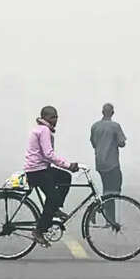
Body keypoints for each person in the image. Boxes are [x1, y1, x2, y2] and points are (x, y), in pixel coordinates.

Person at [24, 106, 79, 246]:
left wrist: (65, 167)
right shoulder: (44, 130)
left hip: (40, 169)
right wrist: (68, 165)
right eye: (52, 117)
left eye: (56, 117)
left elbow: (46, 156)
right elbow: (48, 154)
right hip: (37, 171)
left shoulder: (40, 129)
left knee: (65, 178)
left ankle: (54, 210)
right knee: (53, 198)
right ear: (45, 117)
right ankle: (39, 230)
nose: (55, 120)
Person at [90, 103, 127, 225]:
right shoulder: (115, 126)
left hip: (100, 163)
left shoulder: (95, 126)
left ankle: (108, 218)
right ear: (112, 113)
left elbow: (93, 143)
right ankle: (98, 209)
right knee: (114, 191)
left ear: (102, 112)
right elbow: (122, 143)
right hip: (112, 163)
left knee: (107, 189)